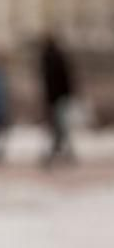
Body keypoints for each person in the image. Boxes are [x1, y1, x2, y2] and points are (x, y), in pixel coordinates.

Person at [38, 34, 77, 167]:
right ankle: (60, 152)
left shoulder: (49, 58)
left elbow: (54, 80)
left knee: (59, 126)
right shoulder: (57, 56)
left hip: (55, 97)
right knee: (59, 126)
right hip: (58, 97)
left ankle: (57, 152)